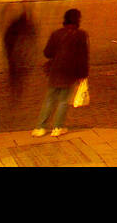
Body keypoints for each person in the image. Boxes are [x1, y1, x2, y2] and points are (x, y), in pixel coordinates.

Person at [32, 9, 88, 137]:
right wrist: (83, 74)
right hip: (70, 72)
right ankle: (57, 127)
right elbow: (83, 56)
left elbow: (47, 53)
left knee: (49, 99)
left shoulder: (56, 34)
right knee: (63, 100)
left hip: (55, 71)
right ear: (77, 20)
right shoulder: (81, 35)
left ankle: (40, 127)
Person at [2, 5, 38, 102]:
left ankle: (14, 90)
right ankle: (18, 91)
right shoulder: (28, 27)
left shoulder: (14, 26)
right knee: (21, 74)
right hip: (22, 56)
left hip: (14, 56)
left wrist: (8, 52)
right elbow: (33, 40)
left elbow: (7, 39)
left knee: (14, 73)